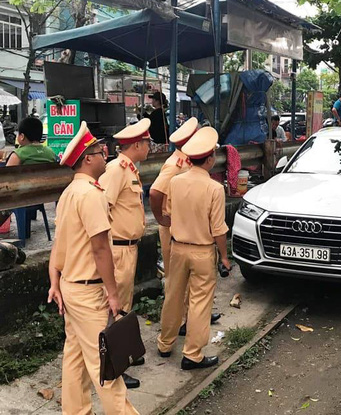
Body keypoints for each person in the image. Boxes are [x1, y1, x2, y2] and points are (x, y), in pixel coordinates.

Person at [47, 121, 138, 414]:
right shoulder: (91, 195)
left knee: (74, 358)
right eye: (100, 151)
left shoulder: (69, 194)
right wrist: (113, 294)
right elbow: (100, 249)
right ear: (88, 158)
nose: (106, 154)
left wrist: (54, 282)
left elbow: (59, 247)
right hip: (88, 293)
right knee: (106, 365)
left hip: (71, 287)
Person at [157, 127, 232, 370]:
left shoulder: (176, 182)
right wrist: (224, 257)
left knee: (173, 296)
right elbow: (218, 229)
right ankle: (192, 354)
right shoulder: (214, 188)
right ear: (210, 159)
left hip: (177, 247)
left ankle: (165, 343)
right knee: (200, 302)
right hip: (202, 251)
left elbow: (165, 210)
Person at [149, 118, 221, 334]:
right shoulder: (174, 165)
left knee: (190, 280)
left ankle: (193, 316)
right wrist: (161, 219)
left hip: (185, 228)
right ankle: (178, 322)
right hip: (174, 230)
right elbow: (155, 192)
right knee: (175, 281)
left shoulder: (187, 162)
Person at [98, 118, 151, 389]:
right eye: (148, 143)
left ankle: (121, 355)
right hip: (117, 249)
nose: (150, 147)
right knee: (114, 310)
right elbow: (101, 207)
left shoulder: (129, 169)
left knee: (124, 305)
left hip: (127, 249)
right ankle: (114, 366)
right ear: (138, 144)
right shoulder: (117, 170)